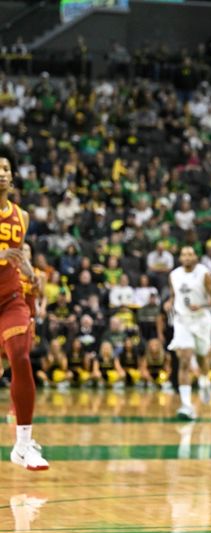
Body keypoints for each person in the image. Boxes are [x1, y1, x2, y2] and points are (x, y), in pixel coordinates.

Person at [0, 145, 49, 470]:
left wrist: (30, 273)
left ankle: (22, 444)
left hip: (10, 299)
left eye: (5, 168)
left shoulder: (22, 216)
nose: (1, 173)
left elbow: (17, 260)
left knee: (20, 354)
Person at [164, 246, 211, 420]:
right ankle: (186, 405)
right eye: (184, 254)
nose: (187, 257)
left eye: (190, 254)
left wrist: (202, 305)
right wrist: (169, 302)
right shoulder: (174, 275)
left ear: (195, 257)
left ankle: (205, 381)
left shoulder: (204, 273)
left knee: (201, 358)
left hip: (201, 320)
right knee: (184, 359)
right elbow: (173, 295)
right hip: (182, 320)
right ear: (179, 258)